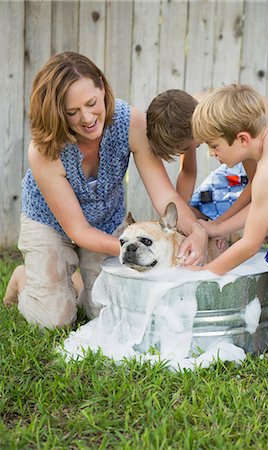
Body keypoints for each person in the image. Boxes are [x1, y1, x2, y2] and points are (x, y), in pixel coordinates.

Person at [3, 52, 208, 329]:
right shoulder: (43, 151)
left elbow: (165, 196)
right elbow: (79, 232)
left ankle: (74, 281)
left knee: (105, 310)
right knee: (55, 320)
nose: (87, 118)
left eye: (91, 103)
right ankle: (24, 277)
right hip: (50, 223)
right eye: (72, 112)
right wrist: (139, 248)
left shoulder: (130, 123)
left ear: (101, 86)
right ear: (55, 112)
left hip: (105, 220)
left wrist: (196, 231)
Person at [188, 83, 268, 369]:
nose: (212, 154)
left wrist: (206, 273)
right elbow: (257, 209)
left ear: (241, 139)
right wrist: (216, 228)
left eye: (214, 146)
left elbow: (251, 242)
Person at [146, 89, 268, 238]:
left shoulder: (230, 124)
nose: (186, 152)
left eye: (187, 148)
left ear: (194, 130)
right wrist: (179, 218)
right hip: (248, 163)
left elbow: (255, 184)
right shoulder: (185, 113)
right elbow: (188, 172)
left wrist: (220, 225)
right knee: (200, 204)